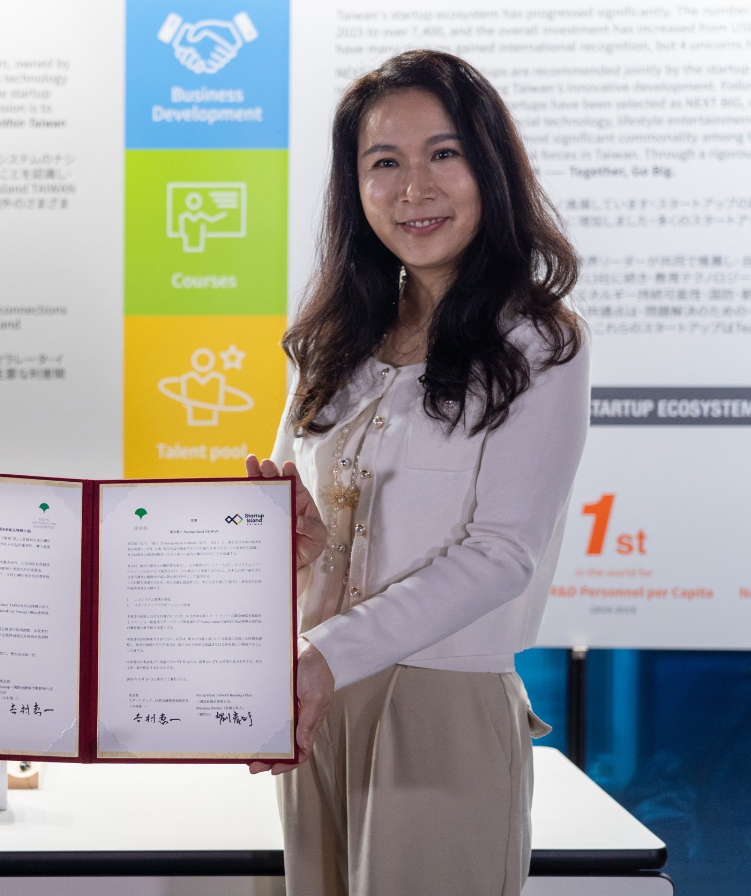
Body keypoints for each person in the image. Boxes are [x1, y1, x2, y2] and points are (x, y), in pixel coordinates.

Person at [245, 50, 590, 895]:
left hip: (441, 706)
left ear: (490, 167)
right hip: (313, 704)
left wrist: (325, 654)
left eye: (444, 154)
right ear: (354, 188)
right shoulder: (333, 339)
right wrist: (287, 537)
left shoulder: (539, 343)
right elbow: (303, 521)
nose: (414, 189)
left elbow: (503, 553)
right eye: (384, 163)